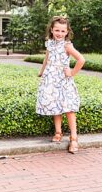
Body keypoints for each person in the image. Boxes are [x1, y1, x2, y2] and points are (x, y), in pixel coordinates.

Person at [36, 16, 86, 153]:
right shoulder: (50, 43)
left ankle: (74, 138)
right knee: (55, 105)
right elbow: (47, 59)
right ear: (51, 30)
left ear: (67, 32)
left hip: (63, 80)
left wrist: (72, 72)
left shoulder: (67, 46)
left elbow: (81, 59)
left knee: (68, 108)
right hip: (50, 79)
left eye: (62, 31)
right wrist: (41, 72)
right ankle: (58, 132)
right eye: (56, 30)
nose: (59, 33)